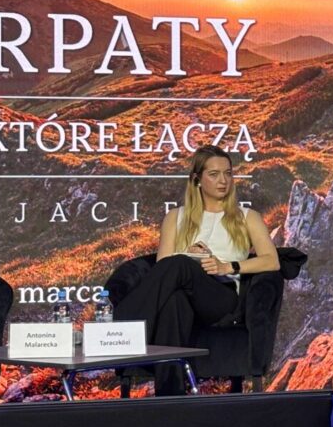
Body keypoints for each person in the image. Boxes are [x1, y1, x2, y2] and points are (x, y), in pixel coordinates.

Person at [114, 145, 279, 395]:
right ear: (197, 179)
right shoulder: (175, 217)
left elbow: (271, 261)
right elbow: (163, 265)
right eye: (214, 174)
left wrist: (227, 266)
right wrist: (192, 258)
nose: (223, 180)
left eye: (228, 173)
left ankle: (121, 331)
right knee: (175, 302)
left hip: (221, 297)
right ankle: (170, 398)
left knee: (180, 264)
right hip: (185, 295)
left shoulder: (247, 217)